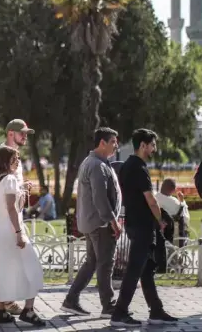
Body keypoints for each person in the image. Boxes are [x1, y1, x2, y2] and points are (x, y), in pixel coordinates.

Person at [109, 129, 177, 327]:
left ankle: (156, 310)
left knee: (145, 269)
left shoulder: (128, 165)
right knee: (134, 270)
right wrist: (160, 220)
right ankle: (119, 313)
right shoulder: (139, 167)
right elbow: (151, 199)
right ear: (143, 145)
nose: (154, 149)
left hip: (133, 222)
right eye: (152, 145)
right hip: (142, 225)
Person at [61, 127, 122, 318]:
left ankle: (71, 300)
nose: (116, 146)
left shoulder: (96, 162)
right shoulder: (96, 165)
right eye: (113, 142)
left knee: (92, 263)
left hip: (93, 223)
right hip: (101, 224)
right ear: (102, 143)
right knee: (105, 263)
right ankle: (108, 305)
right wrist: (113, 221)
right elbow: (100, 198)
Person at [0, 145, 45, 326]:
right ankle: (28, 310)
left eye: (18, 159)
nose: (18, 162)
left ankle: (1, 311)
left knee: (2, 269)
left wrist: (20, 191)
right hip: (13, 229)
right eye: (15, 159)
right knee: (32, 267)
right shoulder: (11, 179)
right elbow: (13, 208)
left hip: (0, 229)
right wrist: (19, 233)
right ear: (6, 161)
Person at [0, 119, 35, 318]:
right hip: (3, 213)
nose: (25, 136)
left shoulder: (14, 155)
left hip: (13, 212)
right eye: (22, 133)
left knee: (9, 257)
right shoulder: (0, 154)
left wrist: (21, 188)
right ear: (11, 133)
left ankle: (6, 301)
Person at [155, 178, 190, 245]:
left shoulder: (154, 198)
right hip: (174, 237)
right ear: (173, 190)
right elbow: (186, 218)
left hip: (157, 234)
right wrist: (182, 201)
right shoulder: (175, 202)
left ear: (161, 187)